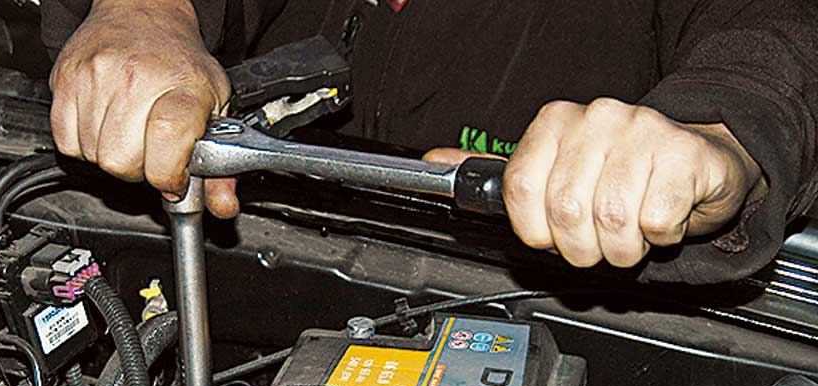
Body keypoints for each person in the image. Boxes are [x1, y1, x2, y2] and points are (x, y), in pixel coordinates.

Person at [40, 0, 818, 283]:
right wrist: (146, 9)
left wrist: (720, 131)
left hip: (541, 309)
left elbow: (775, 32)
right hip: (261, 265)